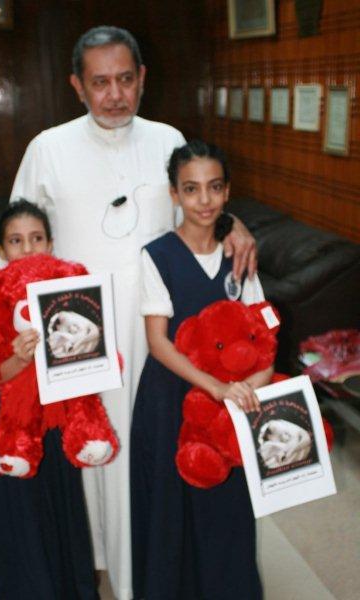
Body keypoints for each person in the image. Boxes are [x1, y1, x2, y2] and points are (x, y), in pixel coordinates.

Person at [0, 27, 257, 600]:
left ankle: (140, 576)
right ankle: (92, 568)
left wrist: (234, 224)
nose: (115, 95)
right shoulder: (48, 147)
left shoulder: (167, 138)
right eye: (100, 83)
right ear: (77, 86)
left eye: (126, 79)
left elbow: (197, 205)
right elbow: (13, 232)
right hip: (76, 334)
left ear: (142, 78)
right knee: (85, 452)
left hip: (154, 331)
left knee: (143, 460)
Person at [130, 140, 273, 599]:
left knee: (227, 505)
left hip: (228, 405)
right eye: (191, 189)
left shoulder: (240, 256)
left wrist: (253, 384)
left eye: (214, 187)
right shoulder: (157, 255)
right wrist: (215, 387)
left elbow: (264, 334)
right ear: (174, 194)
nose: (204, 200)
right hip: (171, 398)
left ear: (227, 191)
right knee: (171, 506)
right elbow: (158, 342)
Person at [0, 199, 99, 599]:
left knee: (63, 515)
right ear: (1, 249)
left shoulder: (70, 293)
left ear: (50, 243)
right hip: (12, 430)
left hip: (58, 422)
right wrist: (18, 357)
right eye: (16, 240)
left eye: (36, 238)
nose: (27, 249)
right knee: (20, 523)